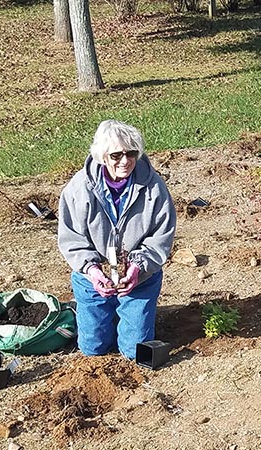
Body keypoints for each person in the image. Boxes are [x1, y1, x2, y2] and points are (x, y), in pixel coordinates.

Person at [57, 119, 176, 359]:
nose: (125, 161)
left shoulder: (154, 187)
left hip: (139, 278)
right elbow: (71, 239)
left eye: (131, 153)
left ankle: (132, 313)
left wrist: (137, 268)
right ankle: (92, 311)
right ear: (102, 156)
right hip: (92, 279)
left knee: (134, 352)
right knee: (93, 348)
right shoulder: (78, 189)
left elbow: (161, 235)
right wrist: (92, 271)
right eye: (116, 155)